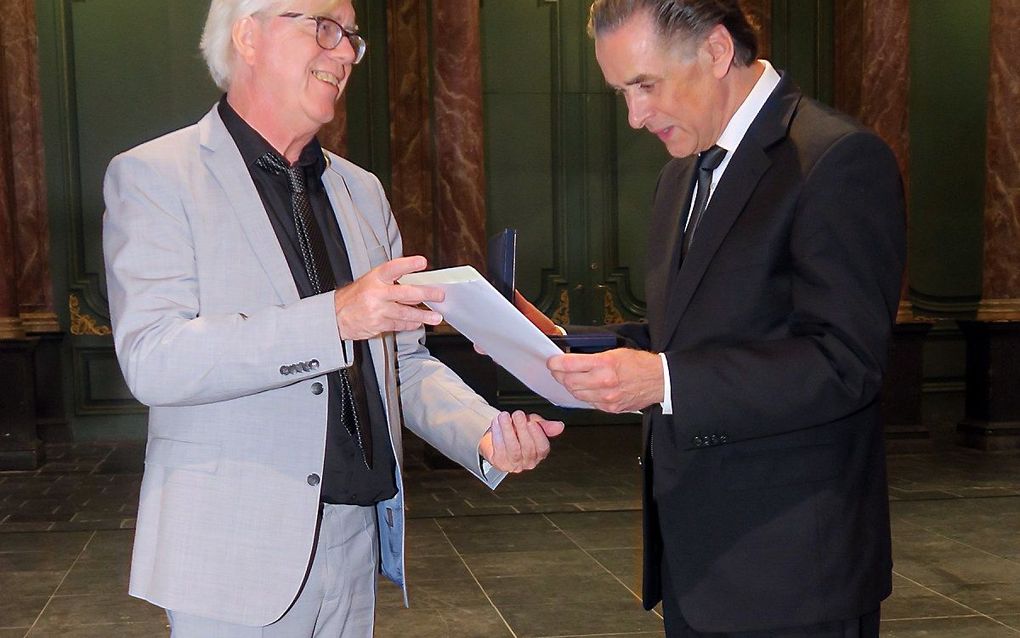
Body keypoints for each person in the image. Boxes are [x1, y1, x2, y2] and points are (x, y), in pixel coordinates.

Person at [101, 0, 564, 635]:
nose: (345, 52)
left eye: (350, 37)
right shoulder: (155, 177)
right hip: (232, 552)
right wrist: (335, 318)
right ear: (249, 36)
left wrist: (484, 433)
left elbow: (400, 364)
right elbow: (155, 360)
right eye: (323, 28)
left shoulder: (362, 191)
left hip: (354, 541)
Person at [524, 1, 905, 635]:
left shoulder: (837, 159)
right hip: (697, 566)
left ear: (716, 51)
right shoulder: (681, 176)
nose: (635, 116)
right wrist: (570, 345)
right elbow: (691, 337)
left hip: (794, 576)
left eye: (645, 85)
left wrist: (665, 383)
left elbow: (847, 362)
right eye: (622, 92)